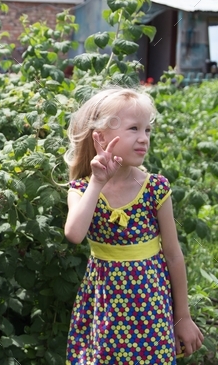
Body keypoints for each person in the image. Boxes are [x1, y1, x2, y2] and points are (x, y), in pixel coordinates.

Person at [63, 88, 204, 363]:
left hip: (151, 309)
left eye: (148, 130)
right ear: (100, 137)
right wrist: (98, 181)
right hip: (105, 310)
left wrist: (183, 317)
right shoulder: (82, 189)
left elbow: (174, 255)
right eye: (134, 129)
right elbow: (74, 234)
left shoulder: (155, 188)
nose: (144, 139)